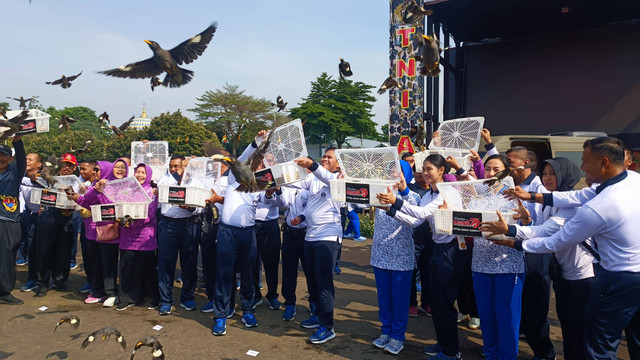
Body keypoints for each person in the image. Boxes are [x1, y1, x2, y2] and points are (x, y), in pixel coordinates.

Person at [490, 137, 640, 359]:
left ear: (604, 162)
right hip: (633, 273)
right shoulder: (631, 180)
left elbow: (556, 241)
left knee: (599, 344)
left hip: (616, 279)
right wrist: (531, 196)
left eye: (585, 162)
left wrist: (514, 241)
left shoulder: (598, 208)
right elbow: (575, 195)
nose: (582, 167)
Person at [482, 157, 595, 360]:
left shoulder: (571, 207)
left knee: (580, 330)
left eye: (553, 173)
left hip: (583, 276)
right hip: (563, 273)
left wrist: (510, 232)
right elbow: (536, 228)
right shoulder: (546, 201)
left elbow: (546, 233)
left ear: (566, 175)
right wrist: (525, 220)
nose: (547, 178)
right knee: (567, 327)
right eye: (544, 173)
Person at [377, 154, 468, 360]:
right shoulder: (428, 195)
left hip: (454, 250)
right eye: (423, 169)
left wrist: (395, 201)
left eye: (429, 169)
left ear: (442, 171)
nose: (425, 173)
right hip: (438, 249)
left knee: (444, 303)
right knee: (436, 302)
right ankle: (443, 343)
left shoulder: (448, 193)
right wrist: (390, 210)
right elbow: (415, 222)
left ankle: (452, 351)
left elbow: (420, 213)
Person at [210, 132, 277, 336]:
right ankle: (221, 315)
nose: (254, 166)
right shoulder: (233, 177)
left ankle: (248, 311)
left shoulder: (258, 185)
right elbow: (240, 159)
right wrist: (257, 142)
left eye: (258, 164)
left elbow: (268, 201)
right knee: (224, 274)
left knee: (248, 275)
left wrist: (270, 192)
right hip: (228, 233)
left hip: (248, 234)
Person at [505, 146, 555, 360]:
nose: (508, 165)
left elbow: (541, 227)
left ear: (524, 163)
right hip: (516, 247)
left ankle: (544, 352)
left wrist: (522, 225)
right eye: (545, 173)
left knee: (537, 303)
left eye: (511, 161)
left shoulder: (538, 187)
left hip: (535, 251)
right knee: (520, 302)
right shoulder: (510, 184)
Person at [292, 148, 343, 344]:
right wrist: (275, 178)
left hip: (327, 237)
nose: (325, 158)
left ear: (338, 164)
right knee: (312, 280)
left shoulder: (339, 178)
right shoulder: (314, 180)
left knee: (323, 282)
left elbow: (329, 180)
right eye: (324, 156)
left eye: (329, 157)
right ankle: (318, 315)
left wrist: (312, 165)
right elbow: (294, 182)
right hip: (310, 236)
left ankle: (327, 326)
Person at [369, 163, 417, 355]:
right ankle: (386, 331)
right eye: (389, 170)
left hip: (401, 257)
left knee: (400, 300)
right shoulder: (379, 194)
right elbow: (356, 200)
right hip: (380, 255)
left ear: (405, 174)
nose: (393, 174)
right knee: (384, 298)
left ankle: (398, 336)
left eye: (397, 171)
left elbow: (415, 213)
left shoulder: (413, 196)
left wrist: (403, 189)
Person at [156, 155, 203, 315]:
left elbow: (200, 207)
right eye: (171, 166)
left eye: (177, 166)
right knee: (165, 264)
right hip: (167, 224)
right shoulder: (164, 180)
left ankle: (187, 297)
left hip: (188, 225)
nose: (173, 169)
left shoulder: (196, 182)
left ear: (185, 167)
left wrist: (189, 207)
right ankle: (165, 300)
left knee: (189, 263)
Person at [116, 163, 160, 310]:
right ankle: (128, 298)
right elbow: (119, 207)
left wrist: (131, 223)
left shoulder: (152, 191)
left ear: (148, 175)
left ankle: (151, 297)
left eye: (143, 172)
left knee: (147, 268)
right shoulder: (127, 190)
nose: (140, 175)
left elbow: (150, 213)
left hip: (145, 236)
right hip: (127, 236)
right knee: (127, 268)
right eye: (138, 172)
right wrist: (124, 221)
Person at [33, 153, 78, 297]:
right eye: (64, 164)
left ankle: (60, 281)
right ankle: (42, 283)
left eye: (70, 165)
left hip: (67, 220)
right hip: (47, 219)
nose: (67, 168)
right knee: (44, 251)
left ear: (75, 167)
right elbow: (34, 177)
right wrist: (34, 176)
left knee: (63, 252)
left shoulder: (77, 182)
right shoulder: (48, 179)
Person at [70, 161, 113, 304]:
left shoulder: (109, 187)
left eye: (97, 170)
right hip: (90, 230)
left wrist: (98, 190)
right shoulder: (94, 186)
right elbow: (87, 202)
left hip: (103, 231)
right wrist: (75, 196)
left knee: (104, 263)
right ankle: (96, 289)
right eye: (93, 170)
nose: (94, 172)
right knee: (92, 261)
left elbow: (106, 204)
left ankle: (105, 292)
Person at [275, 185, 310, 321]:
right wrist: (278, 191)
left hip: (307, 233)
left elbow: (312, 207)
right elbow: (282, 203)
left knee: (310, 271)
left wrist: (301, 217)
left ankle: (314, 302)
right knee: (289, 270)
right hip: (290, 233)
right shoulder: (289, 185)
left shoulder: (312, 186)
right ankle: (289, 303)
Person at [0, 137, 26, 305]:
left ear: (10, 159)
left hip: (9, 222)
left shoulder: (14, 172)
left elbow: (22, 160)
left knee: (7, 257)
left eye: (3, 156)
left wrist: (17, 142)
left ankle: (4, 292)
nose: (0, 159)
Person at [16, 153, 42, 266]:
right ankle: (23, 258)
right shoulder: (20, 176)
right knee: (25, 237)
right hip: (27, 212)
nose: (27, 161)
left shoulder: (44, 178)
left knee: (37, 243)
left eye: (30, 160)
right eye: (26, 159)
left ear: (39, 164)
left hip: (42, 215)